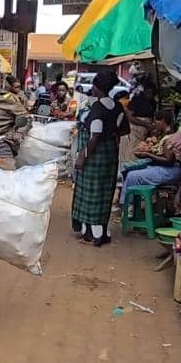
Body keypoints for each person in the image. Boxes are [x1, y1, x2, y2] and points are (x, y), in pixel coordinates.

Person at [71, 71, 128, 246]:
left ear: (96, 88)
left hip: (94, 154)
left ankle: (91, 235)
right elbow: (124, 130)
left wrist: (82, 156)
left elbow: (94, 136)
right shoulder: (117, 106)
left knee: (90, 193)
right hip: (110, 153)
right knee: (104, 192)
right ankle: (100, 231)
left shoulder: (97, 108)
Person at [123, 111, 181, 190]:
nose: (154, 124)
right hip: (163, 169)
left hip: (170, 171)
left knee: (132, 176)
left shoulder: (169, 138)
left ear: (162, 121)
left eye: (156, 121)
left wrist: (148, 155)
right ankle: (131, 200)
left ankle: (127, 201)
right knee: (127, 171)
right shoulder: (162, 135)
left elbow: (168, 160)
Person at [120, 73, 159, 164]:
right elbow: (129, 116)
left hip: (144, 131)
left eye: (152, 93)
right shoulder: (137, 99)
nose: (150, 95)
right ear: (144, 91)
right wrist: (145, 124)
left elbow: (152, 116)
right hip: (134, 130)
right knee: (129, 153)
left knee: (138, 151)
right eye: (148, 93)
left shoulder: (152, 102)